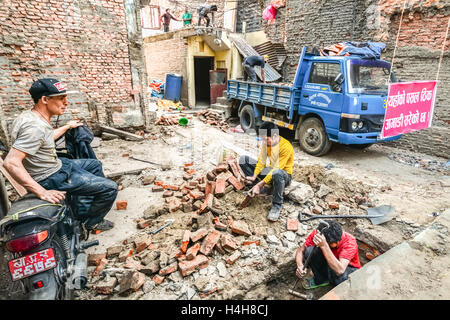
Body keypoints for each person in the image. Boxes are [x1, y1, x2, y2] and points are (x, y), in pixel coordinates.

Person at [3, 78, 118, 234]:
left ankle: (83, 207)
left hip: (57, 165)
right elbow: (11, 162)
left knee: (94, 165)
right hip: (51, 177)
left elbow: (46, 137)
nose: (66, 102)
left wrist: (68, 126)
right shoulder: (34, 127)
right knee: (110, 188)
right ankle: (91, 222)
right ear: (44, 99)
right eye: (61, 98)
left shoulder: (31, 117)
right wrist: (41, 191)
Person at [239, 121, 294, 222]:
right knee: (244, 159)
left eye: (266, 139)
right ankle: (260, 189)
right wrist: (254, 176)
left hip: (283, 175)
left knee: (277, 173)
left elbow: (277, 169)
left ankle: (276, 206)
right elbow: (261, 161)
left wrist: (259, 184)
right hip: (270, 171)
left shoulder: (286, 147)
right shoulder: (266, 143)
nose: (264, 142)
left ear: (275, 136)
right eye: (263, 139)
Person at [295, 220, 361, 289]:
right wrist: (300, 265)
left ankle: (339, 287)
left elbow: (340, 270)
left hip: (347, 268)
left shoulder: (350, 242)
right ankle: (322, 279)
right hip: (330, 263)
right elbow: (300, 251)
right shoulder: (319, 235)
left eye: (331, 244)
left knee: (341, 277)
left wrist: (324, 246)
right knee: (309, 251)